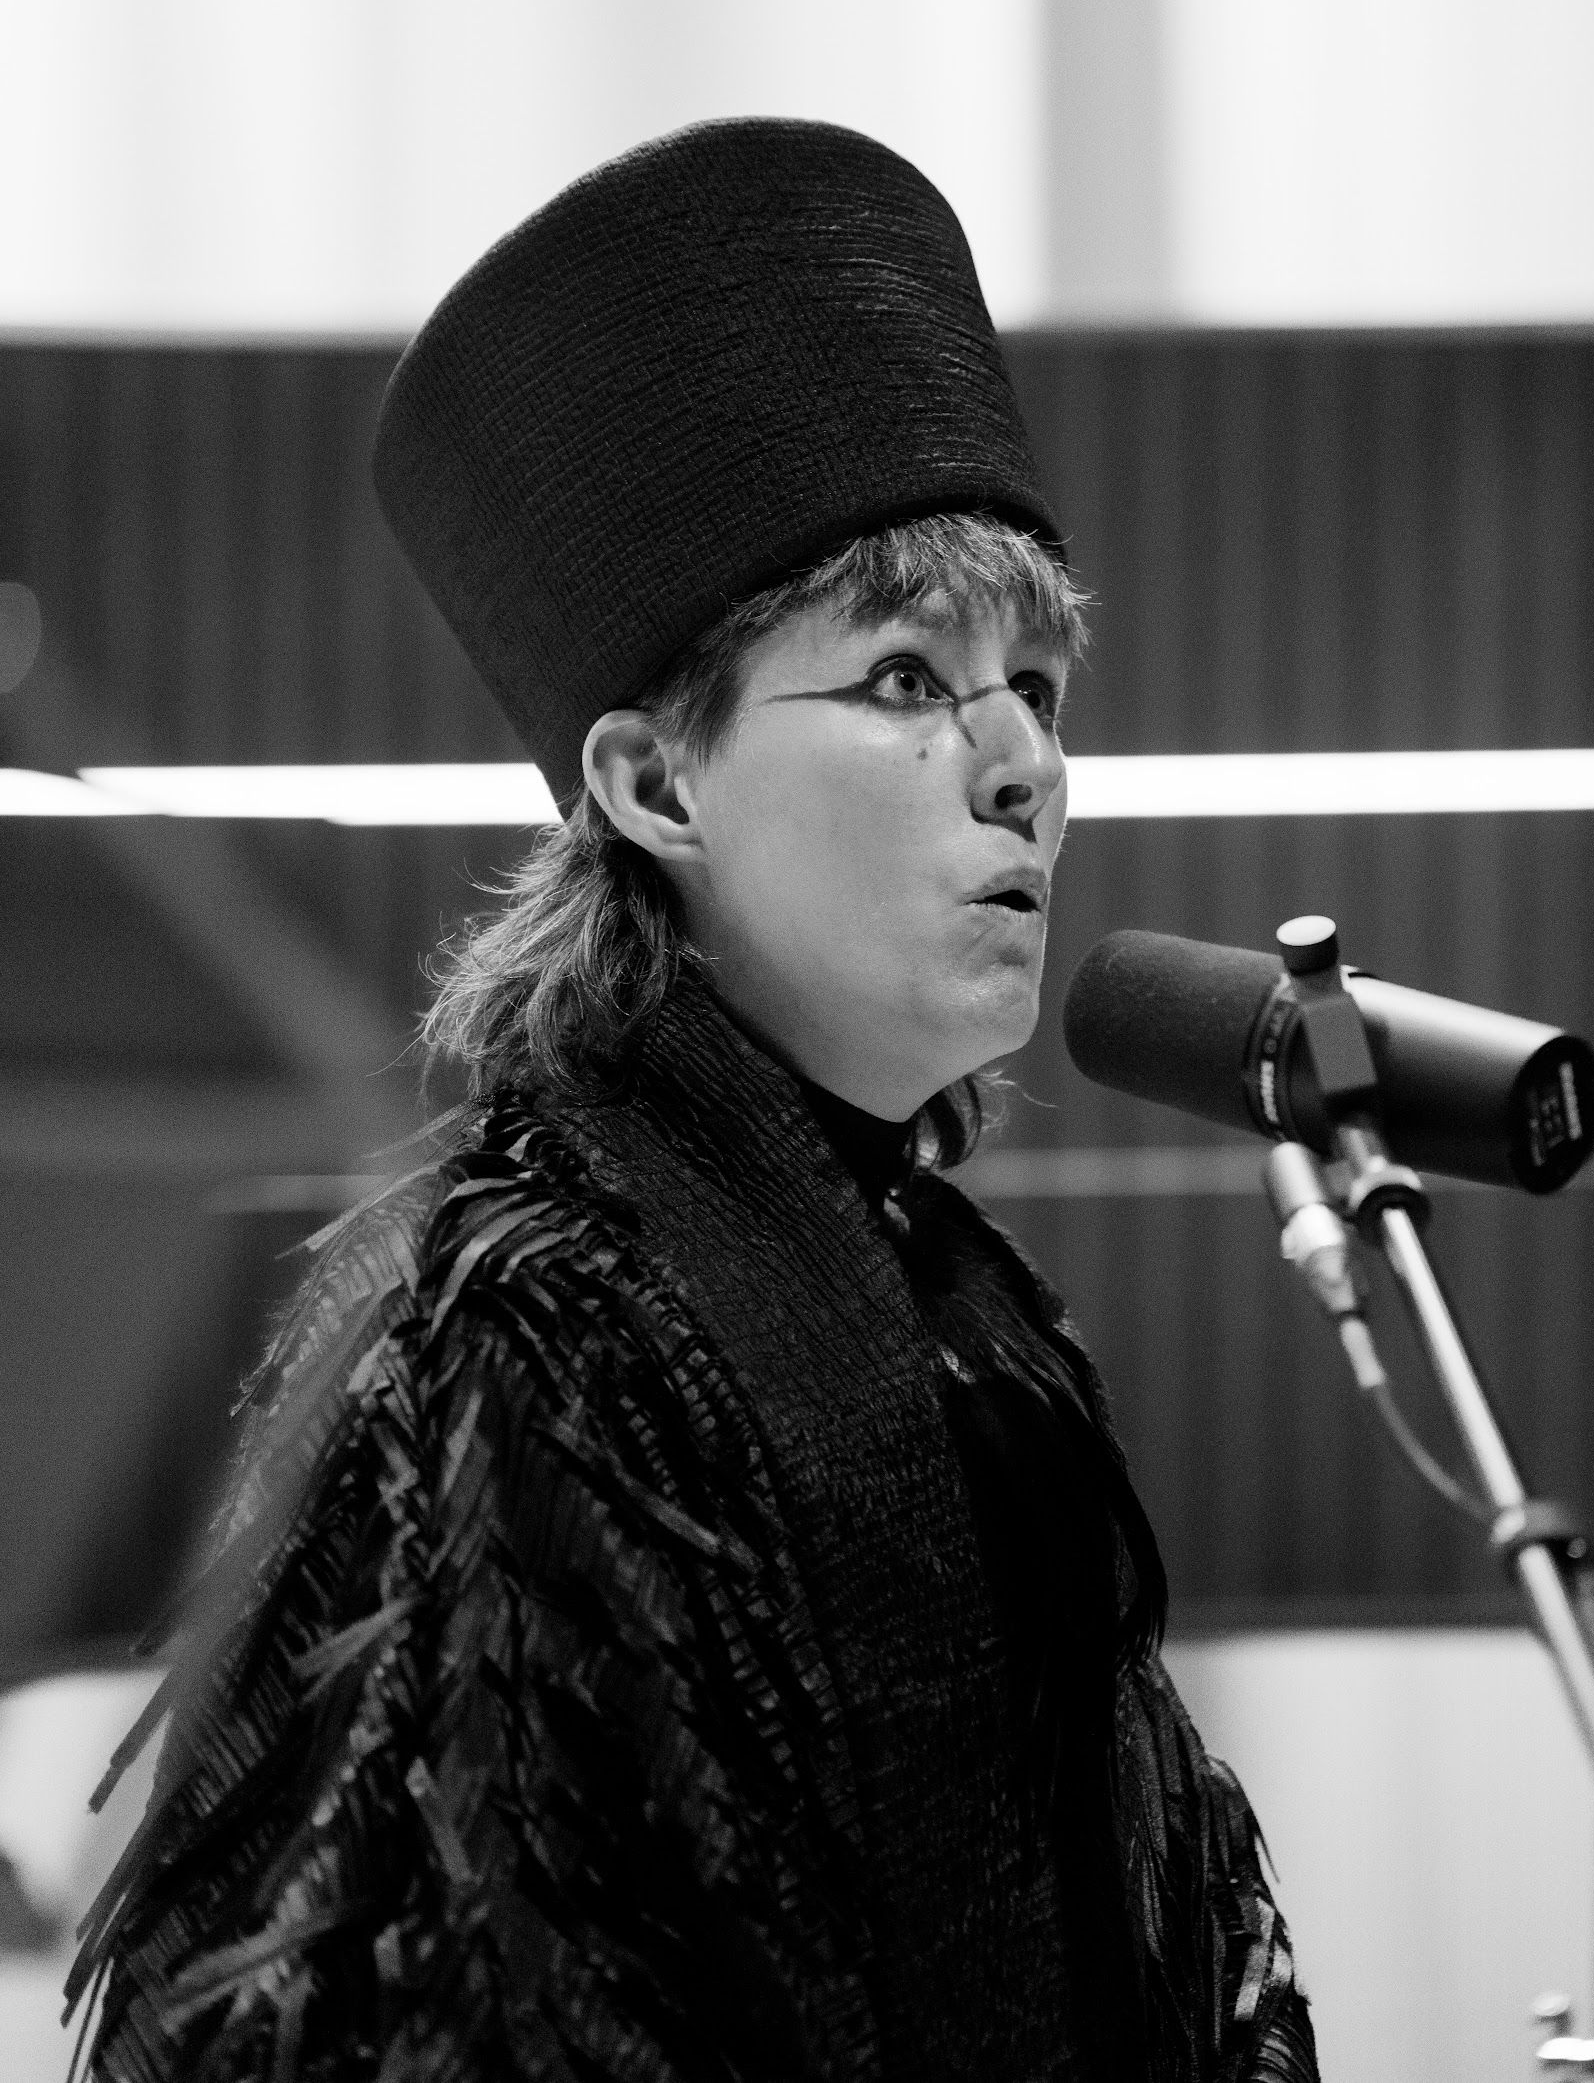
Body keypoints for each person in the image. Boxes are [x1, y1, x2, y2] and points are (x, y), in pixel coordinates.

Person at [70, 121, 1317, 2081]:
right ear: (657, 786)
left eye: (1041, 681)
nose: (1025, 768)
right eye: (909, 677)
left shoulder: (969, 1301)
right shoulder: (536, 1300)